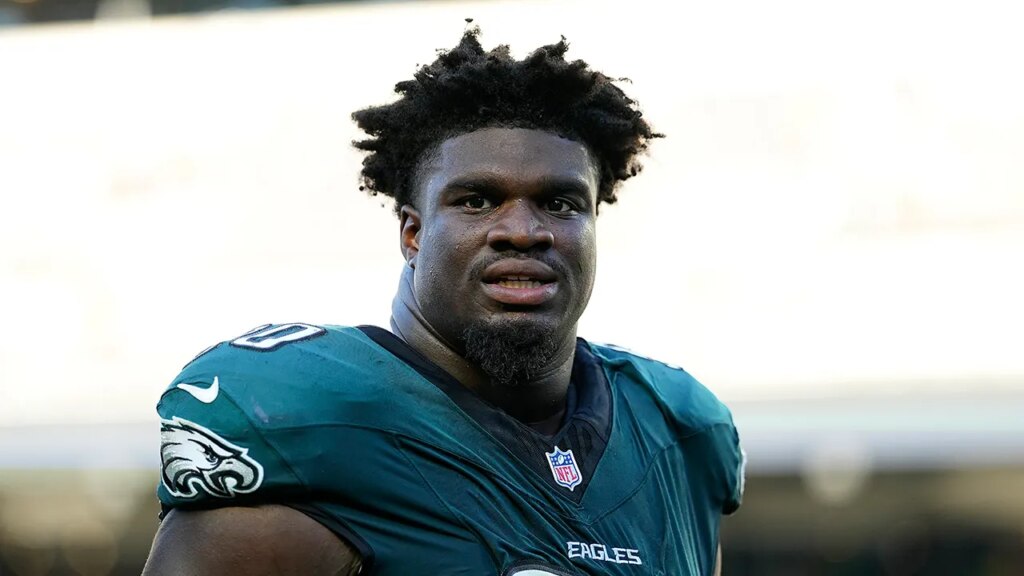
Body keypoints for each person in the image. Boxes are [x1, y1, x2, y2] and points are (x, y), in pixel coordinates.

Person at [142, 27, 744, 576]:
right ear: (413, 233)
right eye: (476, 201)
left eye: (561, 204)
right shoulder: (310, 419)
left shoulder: (678, 433)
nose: (523, 231)